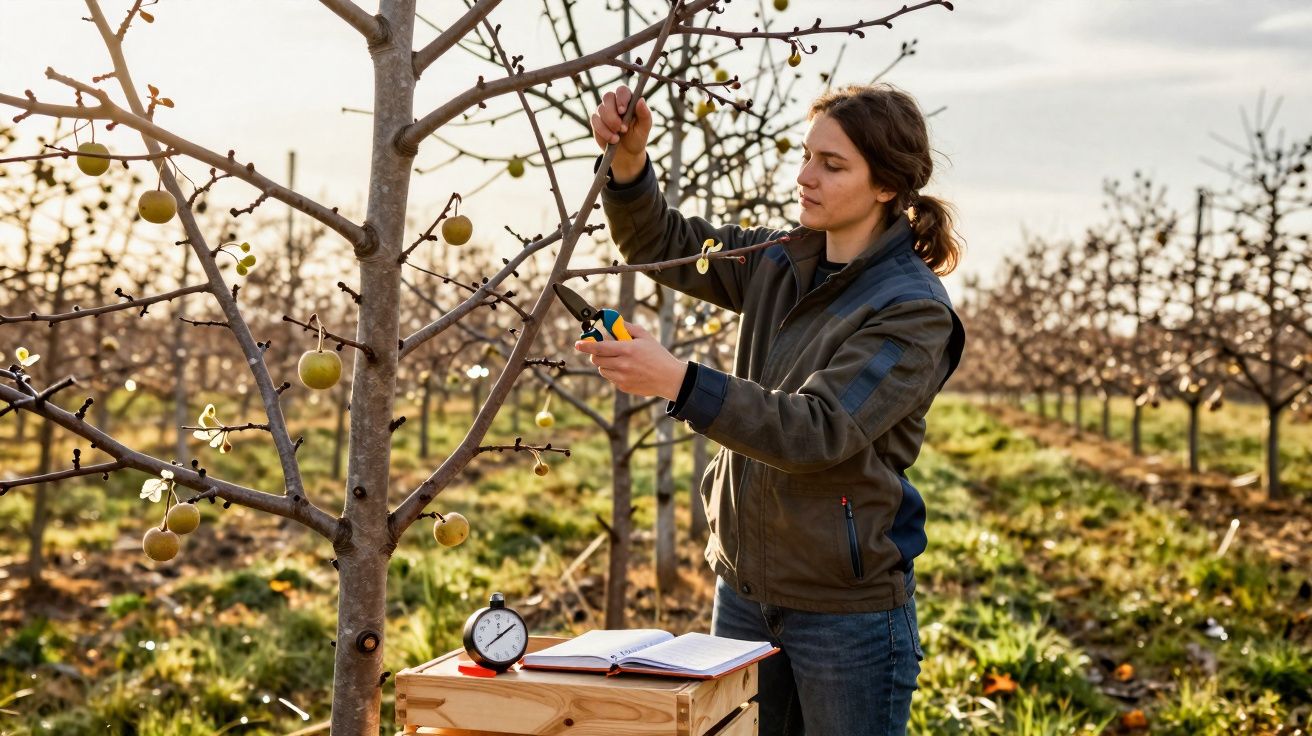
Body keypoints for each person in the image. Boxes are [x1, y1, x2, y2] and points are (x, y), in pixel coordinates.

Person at [574, 82, 966, 735]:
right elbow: (661, 243)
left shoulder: (911, 309)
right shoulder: (778, 260)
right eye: (808, 155)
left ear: (886, 187)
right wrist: (629, 162)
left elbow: (817, 430)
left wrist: (679, 380)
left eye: (832, 165)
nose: (804, 176)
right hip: (745, 592)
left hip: (846, 613)